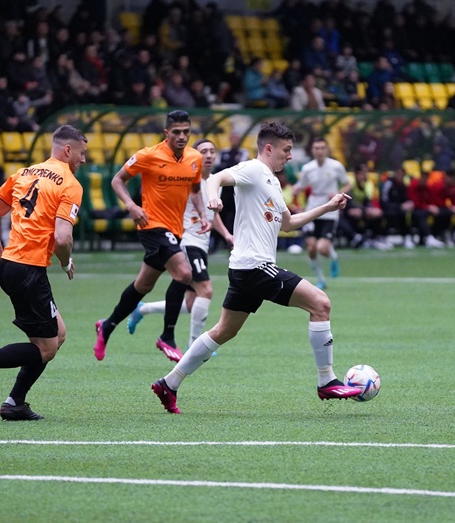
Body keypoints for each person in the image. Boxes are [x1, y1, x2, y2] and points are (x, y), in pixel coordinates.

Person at [150, 121, 362, 415]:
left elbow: (288, 224)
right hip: (255, 266)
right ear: (269, 148)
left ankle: (169, 383)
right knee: (320, 303)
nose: (290, 156)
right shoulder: (252, 169)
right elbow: (217, 178)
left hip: (244, 268)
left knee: (223, 331)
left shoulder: (272, 182)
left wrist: (327, 207)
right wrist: (213, 196)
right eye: (287, 150)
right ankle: (326, 381)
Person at [0, 125, 86, 421]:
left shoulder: (23, 173)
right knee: (46, 348)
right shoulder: (70, 183)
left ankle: (15, 403)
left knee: (58, 334)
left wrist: (2, 260)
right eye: (82, 153)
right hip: (29, 271)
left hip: (13, 264)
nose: (84, 160)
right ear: (67, 150)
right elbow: (63, 238)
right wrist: (65, 263)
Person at [92, 110, 209, 363]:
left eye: (186, 132)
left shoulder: (194, 158)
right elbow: (117, 180)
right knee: (184, 274)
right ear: (166, 133)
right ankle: (167, 337)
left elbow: (195, 190)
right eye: (176, 132)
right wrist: (131, 206)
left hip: (175, 230)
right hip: (150, 225)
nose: (182, 136)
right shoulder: (149, 155)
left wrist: (202, 215)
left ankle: (107, 325)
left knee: (144, 285)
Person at [127, 138, 234, 349]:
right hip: (187, 241)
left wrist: (226, 235)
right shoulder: (186, 180)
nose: (209, 155)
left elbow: (212, 215)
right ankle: (195, 347)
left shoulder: (214, 182)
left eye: (212, 151)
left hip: (201, 244)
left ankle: (142, 309)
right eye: (203, 151)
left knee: (192, 303)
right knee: (206, 290)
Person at [292, 137, 351, 290]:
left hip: (330, 210)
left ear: (327, 149)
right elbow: (302, 185)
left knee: (322, 248)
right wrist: (296, 189)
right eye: (317, 148)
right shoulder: (307, 168)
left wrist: (338, 193)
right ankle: (320, 280)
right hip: (313, 208)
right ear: (312, 150)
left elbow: (347, 184)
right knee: (311, 248)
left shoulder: (336, 166)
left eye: (322, 148)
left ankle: (334, 257)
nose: (320, 151)